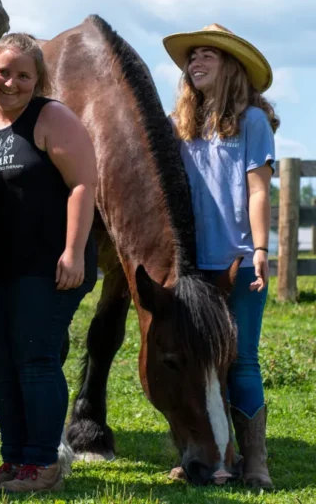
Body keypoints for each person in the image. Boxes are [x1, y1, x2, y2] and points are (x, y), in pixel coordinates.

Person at [0, 33, 98, 493]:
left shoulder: (50, 117)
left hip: (47, 264)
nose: (11, 82)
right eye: (3, 72)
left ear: (38, 79)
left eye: (24, 75)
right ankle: (15, 460)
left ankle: (43, 464)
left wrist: (74, 251)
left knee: (36, 360)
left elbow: (84, 183)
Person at [164, 24, 278, 489]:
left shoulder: (251, 121)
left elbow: (257, 191)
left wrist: (261, 248)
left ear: (231, 66)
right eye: (192, 57)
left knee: (241, 360)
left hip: (239, 260)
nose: (196, 63)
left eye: (208, 55)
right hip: (192, 268)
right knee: (195, 363)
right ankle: (208, 454)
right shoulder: (178, 126)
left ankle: (256, 460)